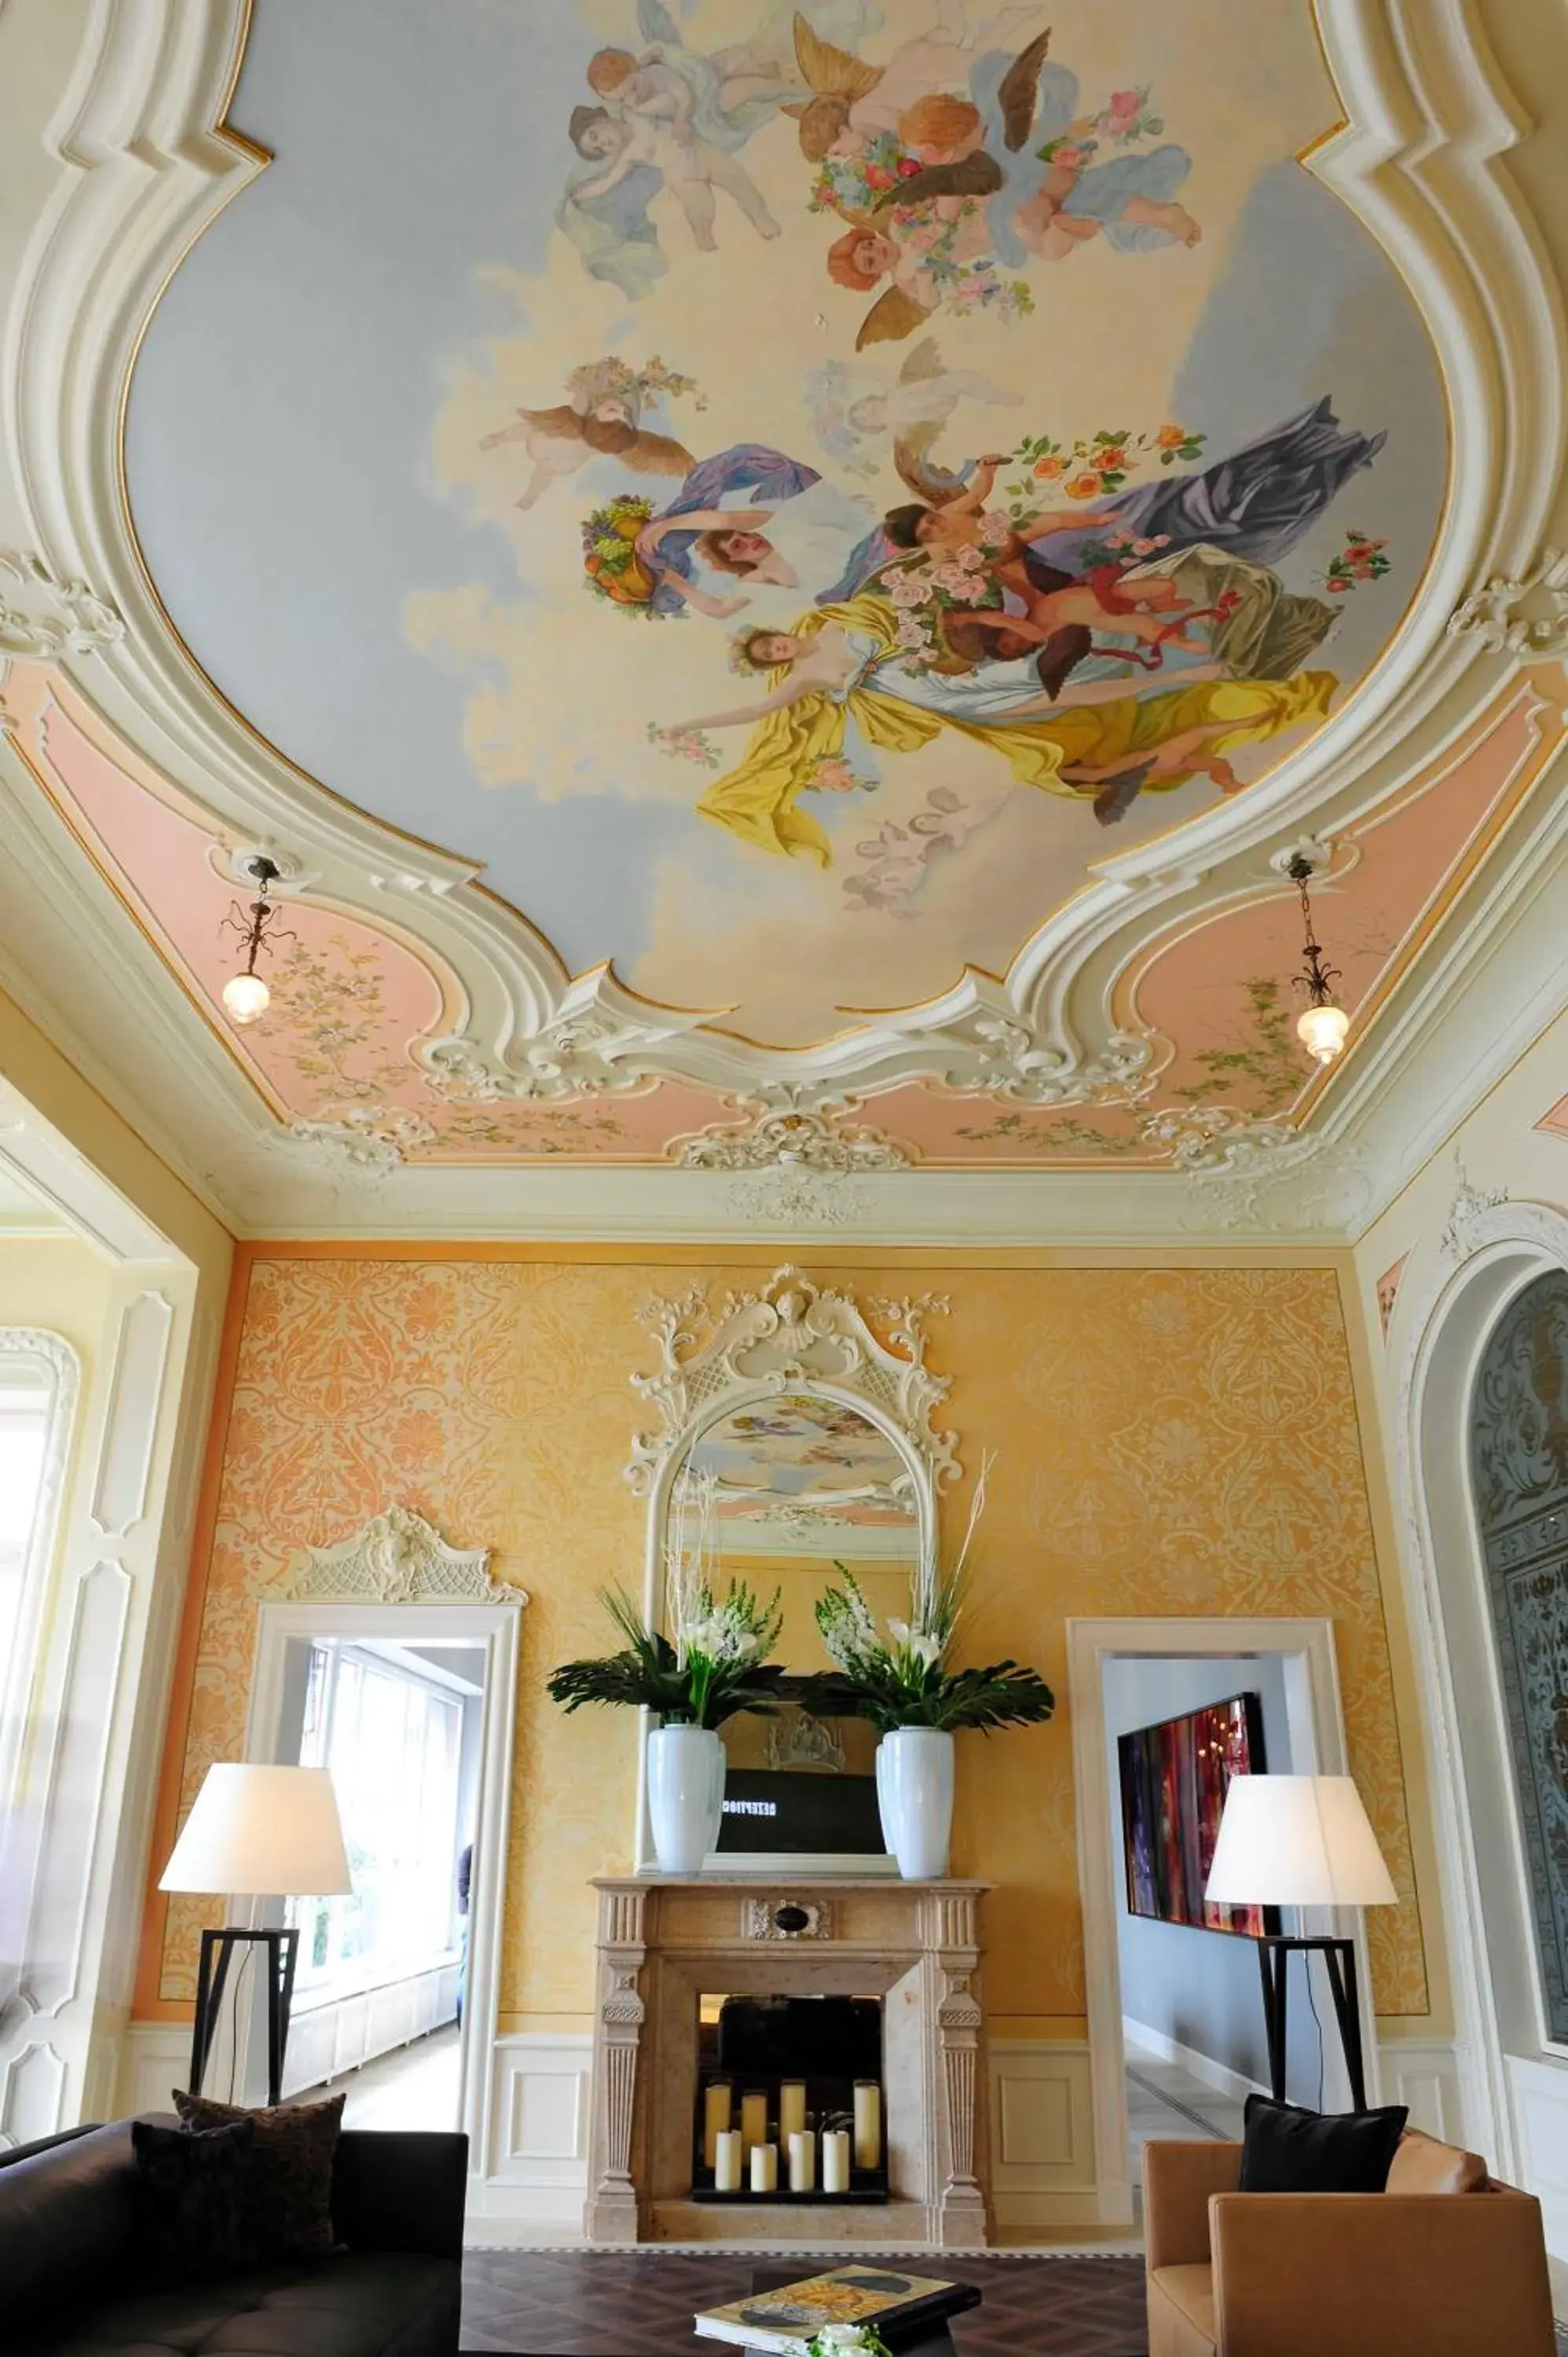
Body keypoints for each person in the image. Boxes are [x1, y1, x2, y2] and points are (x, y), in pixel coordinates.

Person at [455, 1841, 472, 2029]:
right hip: (474, 1920)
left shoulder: (470, 1851)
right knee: (467, 1971)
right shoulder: (471, 1852)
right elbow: (463, 1890)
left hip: (472, 1917)